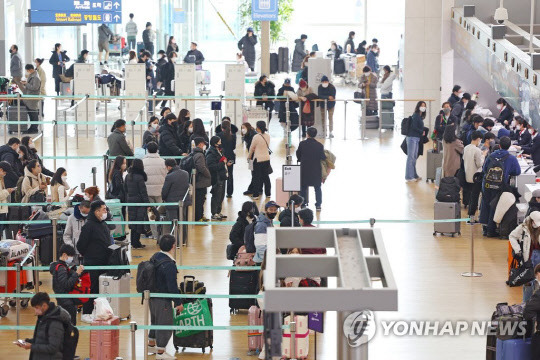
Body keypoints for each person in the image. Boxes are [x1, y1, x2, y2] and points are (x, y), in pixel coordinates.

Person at [147, 235, 184, 360]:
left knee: (155, 321)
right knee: (165, 324)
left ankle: (151, 344)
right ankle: (161, 353)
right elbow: (172, 286)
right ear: (173, 246)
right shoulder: (169, 264)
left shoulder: (155, 257)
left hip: (151, 297)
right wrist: (178, 302)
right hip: (162, 299)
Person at [480, 136, 521, 237]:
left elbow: (485, 169)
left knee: (485, 204)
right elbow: (517, 171)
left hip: (487, 184)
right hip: (500, 186)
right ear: (509, 146)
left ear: (499, 145)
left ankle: (485, 228)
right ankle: (491, 230)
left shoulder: (491, 155)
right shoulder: (511, 158)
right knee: (496, 206)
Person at [76, 200, 111, 322]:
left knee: (99, 288)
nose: (106, 212)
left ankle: (98, 311)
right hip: (92, 262)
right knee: (91, 287)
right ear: (96, 212)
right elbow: (80, 245)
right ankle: (86, 313)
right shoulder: (89, 226)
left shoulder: (103, 224)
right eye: (104, 210)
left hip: (103, 261)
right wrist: (91, 255)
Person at [15, 292, 72, 358]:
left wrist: (31, 346)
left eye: (36, 308)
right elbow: (42, 339)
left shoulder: (55, 323)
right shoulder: (44, 317)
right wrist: (26, 341)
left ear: (44, 306)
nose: (35, 311)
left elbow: (53, 348)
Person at [49, 244, 84, 325]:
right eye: (70, 256)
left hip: (63, 300)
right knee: (70, 325)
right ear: (64, 255)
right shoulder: (61, 268)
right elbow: (66, 285)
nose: (71, 259)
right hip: (66, 302)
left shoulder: (60, 267)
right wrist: (76, 273)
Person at [510, 212, 540, 301]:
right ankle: (526, 305)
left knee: (537, 283)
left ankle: (534, 306)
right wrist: (517, 250)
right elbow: (512, 236)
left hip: (538, 259)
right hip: (528, 259)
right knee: (528, 283)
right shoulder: (523, 228)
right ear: (531, 221)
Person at [297, 126, 326, 210]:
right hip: (316, 170)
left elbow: (298, 155)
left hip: (304, 169)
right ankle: (318, 205)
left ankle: (303, 204)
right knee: (317, 188)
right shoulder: (320, 145)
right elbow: (323, 157)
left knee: (303, 187)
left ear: (307, 134)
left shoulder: (302, 144)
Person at [143, 142, 167, 239]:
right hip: (160, 190)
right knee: (160, 213)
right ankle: (161, 233)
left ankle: (154, 234)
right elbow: (166, 175)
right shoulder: (163, 161)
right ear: (157, 150)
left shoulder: (143, 161)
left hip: (148, 191)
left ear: (147, 150)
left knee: (151, 214)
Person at [125, 159, 149, 249]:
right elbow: (143, 192)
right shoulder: (140, 177)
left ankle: (133, 242)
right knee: (139, 222)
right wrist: (147, 204)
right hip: (139, 202)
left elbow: (125, 189)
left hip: (130, 201)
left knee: (133, 222)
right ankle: (136, 243)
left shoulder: (128, 176)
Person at [161, 159, 190, 237]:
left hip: (172, 202)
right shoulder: (185, 173)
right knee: (182, 221)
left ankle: (175, 240)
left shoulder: (169, 176)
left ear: (169, 167)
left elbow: (165, 191)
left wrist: (163, 198)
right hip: (183, 202)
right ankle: (183, 239)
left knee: (173, 223)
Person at [206, 136, 230, 221]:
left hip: (222, 175)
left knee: (221, 195)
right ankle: (214, 213)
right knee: (216, 195)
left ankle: (218, 211)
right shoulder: (211, 153)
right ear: (215, 143)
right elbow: (211, 166)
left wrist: (225, 163)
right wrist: (222, 164)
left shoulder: (219, 151)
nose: (220, 143)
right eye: (219, 142)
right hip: (216, 177)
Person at [463, 131, 486, 215]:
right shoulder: (477, 150)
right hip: (476, 177)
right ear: (478, 139)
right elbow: (479, 164)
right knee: (475, 197)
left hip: (467, 175)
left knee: (470, 196)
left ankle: (470, 214)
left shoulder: (466, 148)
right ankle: (471, 215)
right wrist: (483, 155)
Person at [248, 121, 272, 200]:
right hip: (266, 158)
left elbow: (251, 148)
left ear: (258, 127)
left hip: (258, 159)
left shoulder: (256, 137)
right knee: (266, 177)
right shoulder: (268, 136)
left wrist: (248, 157)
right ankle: (268, 194)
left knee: (256, 177)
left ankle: (256, 195)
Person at [405, 101, 426, 182]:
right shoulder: (416, 115)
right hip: (412, 138)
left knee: (414, 157)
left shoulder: (420, 116)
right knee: (411, 157)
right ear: (418, 106)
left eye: (424, 106)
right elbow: (413, 127)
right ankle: (409, 177)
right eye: (422, 105)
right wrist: (421, 131)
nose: (423, 107)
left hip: (416, 138)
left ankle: (414, 174)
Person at [193, 137, 211, 221]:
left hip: (198, 181)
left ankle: (200, 215)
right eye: (204, 143)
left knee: (200, 199)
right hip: (200, 182)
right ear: (200, 144)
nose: (205, 145)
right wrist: (208, 174)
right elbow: (201, 167)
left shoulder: (195, 153)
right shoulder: (200, 155)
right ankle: (198, 217)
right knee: (200, 200)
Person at [19, 64, 41, 134]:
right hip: (29, 97)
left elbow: (35, 87)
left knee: (33, 114)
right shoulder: (32, 75)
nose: (27, 72)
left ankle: (34, 128)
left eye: (28, 70)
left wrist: (26, 84)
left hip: (32, 98)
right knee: (31, 114)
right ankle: (32, 127)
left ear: (31, 69)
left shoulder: (36, 77)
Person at [218, 120, 237, 198]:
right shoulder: (233, 135)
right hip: (231, 157)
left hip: (221, 156)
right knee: (230, 174)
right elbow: (234, 147)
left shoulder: (218, 135)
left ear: (221, 127)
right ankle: (229, 193)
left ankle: (220, 191)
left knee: (221, 174)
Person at [0, 161, 15, 238]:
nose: (5, 174)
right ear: (1, 170)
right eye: (5, 172)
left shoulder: (1, 179)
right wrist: (7, 191)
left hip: (2, 210)